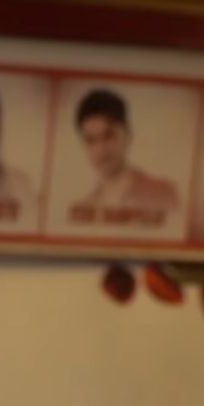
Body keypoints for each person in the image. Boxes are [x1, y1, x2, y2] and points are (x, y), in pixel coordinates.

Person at [73, 89, 182, 304]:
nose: (101, 149)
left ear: (128, 135)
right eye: (91, 140)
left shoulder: (162, 193)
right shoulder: (83, 207)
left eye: (109, 135)